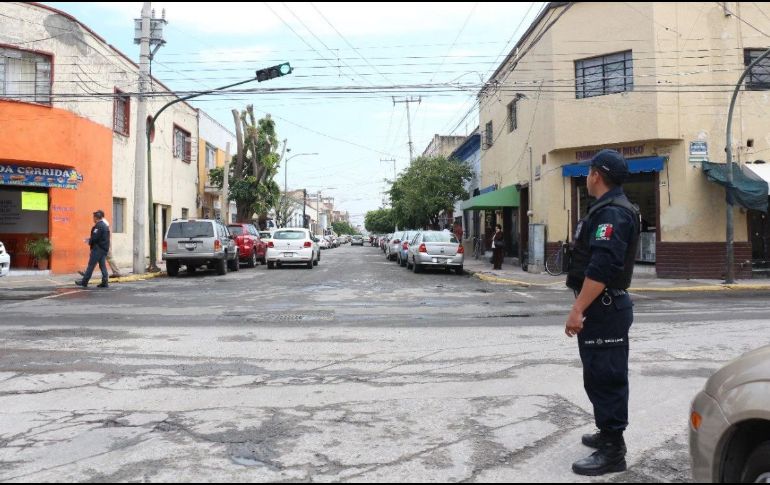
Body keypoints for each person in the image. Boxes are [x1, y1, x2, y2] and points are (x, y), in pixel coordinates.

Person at [564, 149, 641, 476]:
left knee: (607, 376)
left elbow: (603, 265)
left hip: (604, 306)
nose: (586, 176)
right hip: (602, 306)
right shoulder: (607, 209)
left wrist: (578, 308)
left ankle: (613, 449)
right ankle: (606, 432)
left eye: (589, 171)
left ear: (597, 174)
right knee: (597, 374)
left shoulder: (613, 213)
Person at [75, 210, 111, 288]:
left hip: (98, 249)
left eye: (93, 217)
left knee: (91, 265)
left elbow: (95, 238)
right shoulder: (105, 225)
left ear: (96, 218)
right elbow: (101, 238)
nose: (93, 219)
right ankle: (105, 282)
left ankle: (84, 282)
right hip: (104, 249)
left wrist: (89, 241)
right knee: (102, 266)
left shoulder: (98, 226)